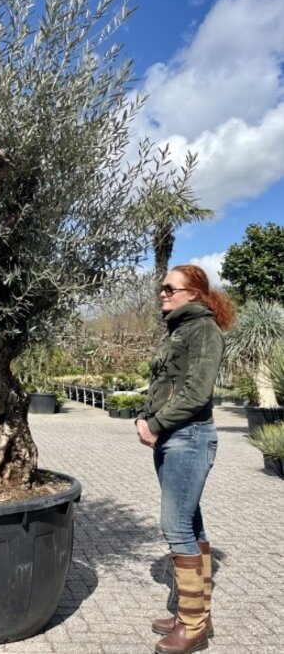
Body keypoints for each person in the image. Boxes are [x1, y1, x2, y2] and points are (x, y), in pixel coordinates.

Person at [135, 265, 234, 654]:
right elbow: (164, 383)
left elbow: (196, 392)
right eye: (161, 288)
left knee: (175, 525)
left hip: (189, 436)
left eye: (169, 288)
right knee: (191, 524)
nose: (162, 293)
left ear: (193, 293)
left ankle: (192, 626)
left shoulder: (205, 330)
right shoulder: (180, 329)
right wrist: (144, 414)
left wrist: (156, 424)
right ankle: (196, 615)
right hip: (175, 437)